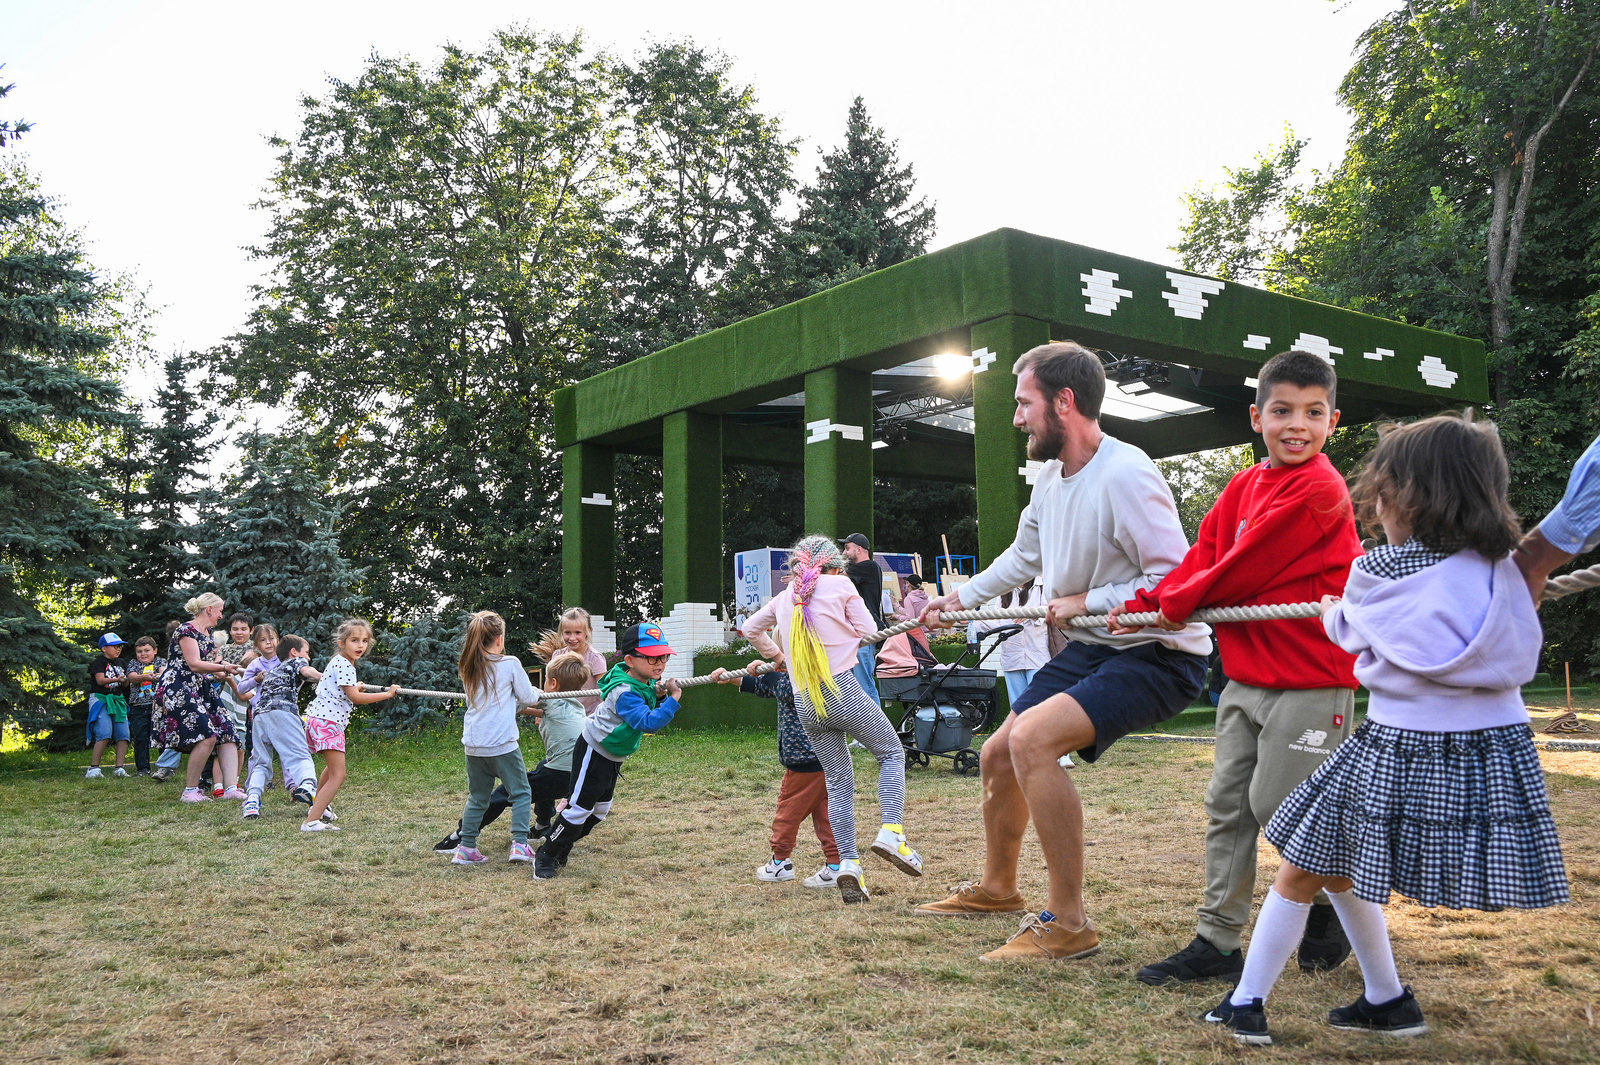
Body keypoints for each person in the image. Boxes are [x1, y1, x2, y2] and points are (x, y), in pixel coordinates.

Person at [1202, 412, 1569, 1046]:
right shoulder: (1508, 571)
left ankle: (1245, 1004)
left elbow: (1347, 630)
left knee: (1300, 864)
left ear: (1404, 496)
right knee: (1335, 863)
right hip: (1491, 753)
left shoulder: (1382, 572)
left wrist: (1330, 612)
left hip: (1399, 747)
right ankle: (1387, 999)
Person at [914, 341, 1209, 960]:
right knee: (997, 753)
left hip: (1160, 653)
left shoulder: (1127, 474)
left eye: (1024, 403)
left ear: (1063, 402)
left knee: (1031, 741)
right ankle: (998, 890)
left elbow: (1177, 579)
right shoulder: (1050, 478)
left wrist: (1089, 599)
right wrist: (958, 599)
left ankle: (1070, 922)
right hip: (1095, 645)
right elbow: (1023, 557)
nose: (1016, 417)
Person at [1106, 349, 1362, 987]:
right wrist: (1144, 606)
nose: (1296, 425)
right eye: (1282, 411)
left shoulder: (1322, 489)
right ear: (1257, 417)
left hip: (1312, 678)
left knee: (1283, 808)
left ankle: (1332, 903)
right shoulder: (1244, 486)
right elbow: (1205, 555)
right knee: (1228, 806)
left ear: (1334, 420)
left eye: (1312, 412)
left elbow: (1244, 568)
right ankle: (1217, 942)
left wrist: (1168, 607)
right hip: (1247, 677)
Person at [743, 535, 924, 905]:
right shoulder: (841, 583)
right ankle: (891, 831)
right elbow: (868, 629)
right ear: (832, 564)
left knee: (839, 782)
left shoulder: (785, 597)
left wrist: (779, 657)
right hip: (841, 689)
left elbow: (749, 630)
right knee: (891, 753)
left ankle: (849, 865)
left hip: (806, 700)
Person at [533, 622, 684, 879]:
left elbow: (645, 700)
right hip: (595, 750)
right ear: (630, 659)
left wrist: (657, 695)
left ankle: (561, 843)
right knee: (578, 809)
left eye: (663, 656)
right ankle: (547, 853)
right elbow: (648, 722)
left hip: (612, 755)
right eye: (650, 657)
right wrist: (672, 699)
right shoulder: (624, 691)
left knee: (599, 812)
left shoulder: (639, 679)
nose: (659, 663)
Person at [433, 651, 591, 853]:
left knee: (504, 794)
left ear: (553, 684)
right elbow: (528, 709)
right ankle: (543, 825)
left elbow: (524, 695)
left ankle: (461, 835)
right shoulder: (576, 706)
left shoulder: (549, 700)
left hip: (559, 775)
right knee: (542, 768)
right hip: (577, 775)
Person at [714, 663, 843, 889]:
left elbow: (783, 687)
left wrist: (766, 670)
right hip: (825, 757)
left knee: (787, 811)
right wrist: (734, 678)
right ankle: (836, 865)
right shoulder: (799, 674)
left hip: (805, 760)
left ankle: (780, 862)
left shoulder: (804, 677)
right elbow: (767, 688)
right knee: (825, 814)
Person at [448, 611, 544, 865]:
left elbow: (472, 701)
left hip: (474, 746)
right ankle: (520, 844)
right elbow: (528, 697)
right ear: (499, 639)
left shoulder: (469, 666)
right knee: (522, 792)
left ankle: (466, 847)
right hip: (501, 745)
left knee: (478, 797)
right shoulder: (509, 663)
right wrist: (539, 692)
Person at [300, 618, 400, 832]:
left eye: (364, 641)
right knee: (339, 774)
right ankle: (311, 822)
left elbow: (342, 690)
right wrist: (387, 694)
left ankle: (317, 809)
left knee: (330, 770)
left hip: (319, 720)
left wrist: (355, 687)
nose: (360, 645)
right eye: (354, 640)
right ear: (342, 642)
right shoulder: (345, 664)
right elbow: (354, 698)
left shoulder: (339, 662)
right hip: (327, 723)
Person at [154, 594, 246, 803]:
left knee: (227, 731)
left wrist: (223, 672)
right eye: (220, 610)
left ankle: (231, 788)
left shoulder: (207, 632)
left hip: (199, 685)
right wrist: (223, 667)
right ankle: (190, 791)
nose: (221, 615)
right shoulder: (186, 630)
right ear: (210, 609)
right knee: (207, 736)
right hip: (179, 687)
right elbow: (194, 664)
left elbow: (204, 666)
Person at [241, 635, 322, 820]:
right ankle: (308, 786)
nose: (308, 657)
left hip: (260, 716)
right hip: (283, 711)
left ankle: (252, 801)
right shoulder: (296, 662)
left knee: (261, 762)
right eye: (307, 652)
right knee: (301, 755)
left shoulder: (274, 670)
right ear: (294, 652)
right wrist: (327, 679)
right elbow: (308, 670)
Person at [530, 607, 608, 713]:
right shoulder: (558, 655)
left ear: (588, 631)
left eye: (577, 633)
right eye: (567, 633)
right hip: (562, 714)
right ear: (562, 632)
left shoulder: (595, 658)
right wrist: (544, 709)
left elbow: (603, 691)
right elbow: (550, 687)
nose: (572, 638)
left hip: (588, 716)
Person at [839, 532, 886, 704]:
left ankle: (877, 729)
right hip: (855, 634)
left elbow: (834, 576)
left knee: (865, 686)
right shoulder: (861, 571)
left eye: (847, 548)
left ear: (859, 549)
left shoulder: (869, 566)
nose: (844, 553)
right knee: (853, 688)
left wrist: (802, 578)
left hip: (864, 633)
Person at [85, 633, 133, 778]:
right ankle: (93, 769)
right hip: (101, 700)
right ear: (104, 648)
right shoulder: (99, 662)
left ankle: (119, 768)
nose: (118, 649)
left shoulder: (122, 663)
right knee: (104, 732)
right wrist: (117, 678)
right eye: (114, 646)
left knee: (124, 734)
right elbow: (100, 680)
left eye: (120, 646)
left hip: (117, 700)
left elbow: (126, 685)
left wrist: (124, 680)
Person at [125, 636, 162, 775]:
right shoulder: (133, 663)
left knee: (161, 737)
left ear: (155, 650)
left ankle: (163, 767)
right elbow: (132, 677)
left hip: (158, 705)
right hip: (138, 705)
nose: (143, 654)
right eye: (139, 651)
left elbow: (164, 673)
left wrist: (158, 675)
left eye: (147, 650)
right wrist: (146, 677)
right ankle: (143, 769)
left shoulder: (161, 661)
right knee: (140, 738)